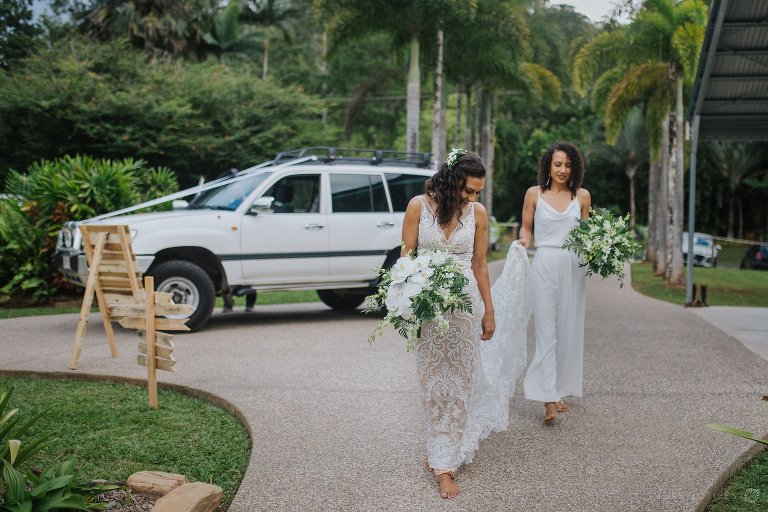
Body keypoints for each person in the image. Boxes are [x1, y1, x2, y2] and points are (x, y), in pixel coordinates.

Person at [401, 149, 532, 499]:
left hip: (464, 308)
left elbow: (480, 264)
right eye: (468, 190)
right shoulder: (417, 207)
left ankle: (444, 462)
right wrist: (406, 302)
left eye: (477, 192)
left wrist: (489, 311)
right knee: (431, 381)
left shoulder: (478, 214)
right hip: (429, 309)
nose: (473, 198)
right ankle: (438, 442)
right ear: (451, 181)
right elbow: (406, 259)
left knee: (460, 381)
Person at [517, 141, 591, 424]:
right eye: (557, 164)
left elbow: (587, 234)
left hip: (574, 266)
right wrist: (524, 240)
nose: (562, 170)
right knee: (545, 330)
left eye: (568, 165)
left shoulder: (582, 196)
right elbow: (526, 226)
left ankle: (558, 391)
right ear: (548, 165)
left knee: (567, 330)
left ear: (575, 168)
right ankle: (548, 400)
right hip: (545, 263)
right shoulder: (534, 194)